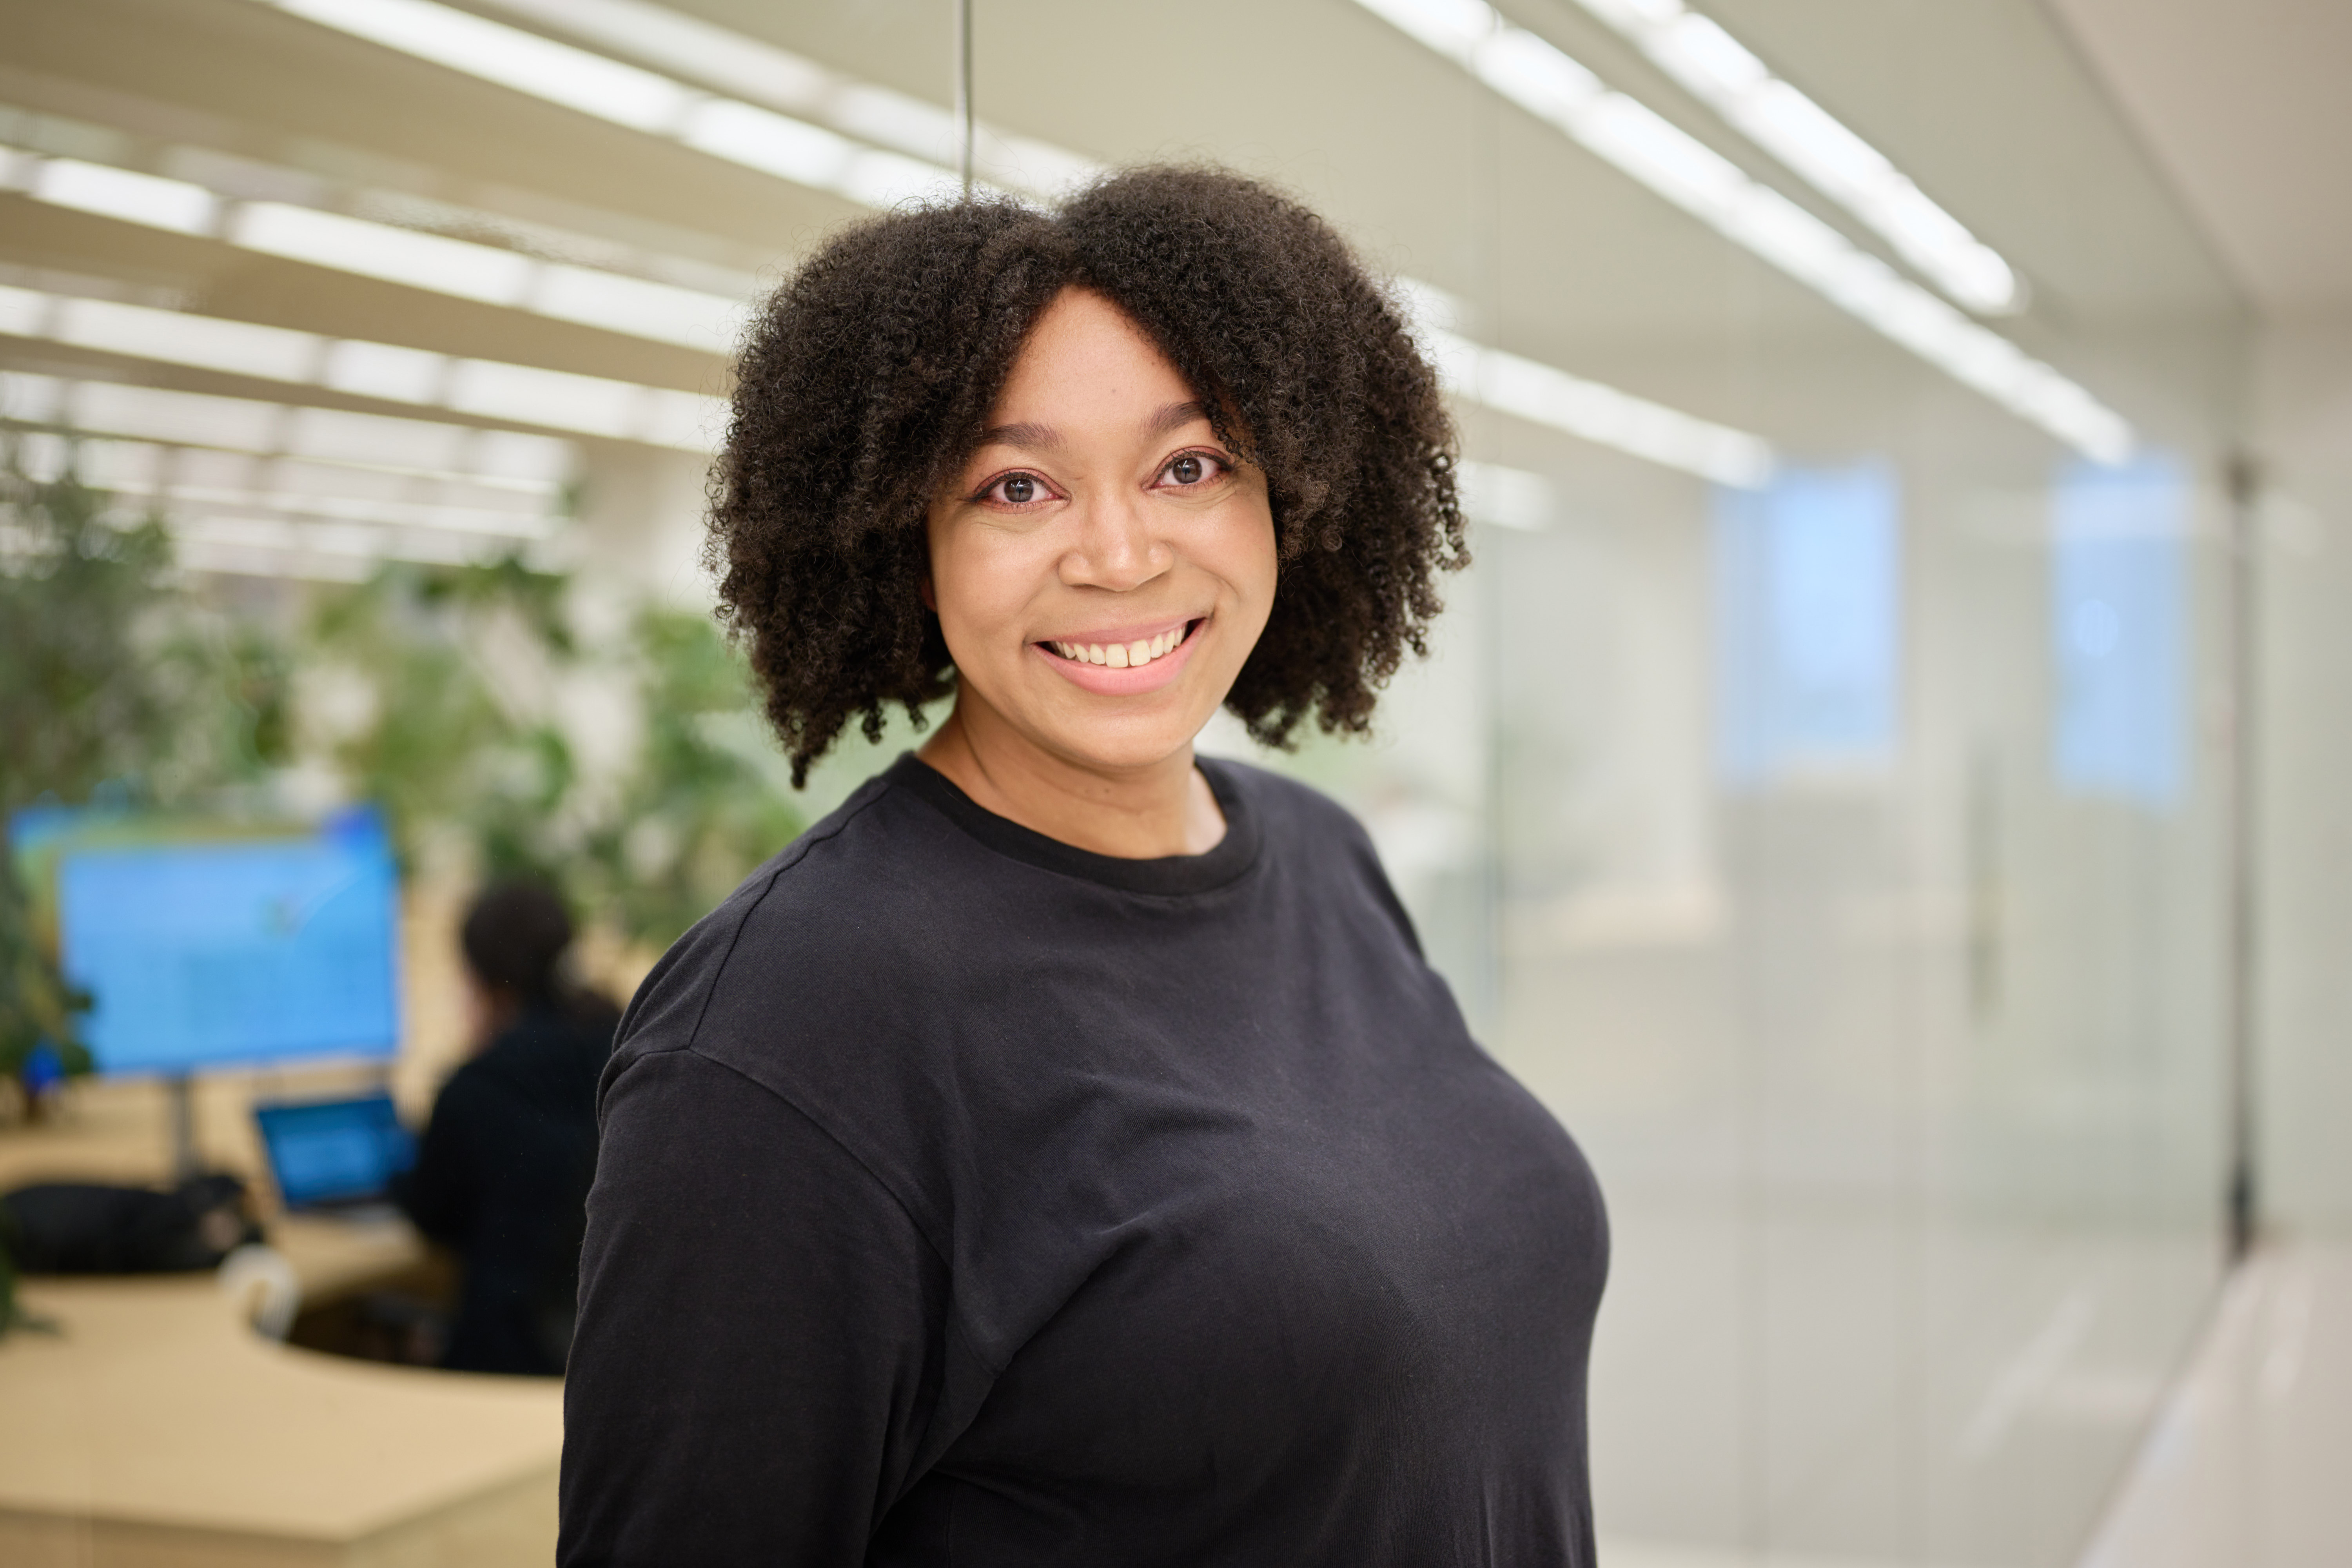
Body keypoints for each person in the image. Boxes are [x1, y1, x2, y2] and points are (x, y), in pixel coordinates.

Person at [560, 167, 1609, 1565]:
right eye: (1016, 484)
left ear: (1289, 490)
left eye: (1189, 465)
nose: (1117, 552)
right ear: (902, 535)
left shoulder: (1316, 855)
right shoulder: (788, 1028)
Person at [394, 878, 615, 1376]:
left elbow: (430, 1214)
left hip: (502, 1365)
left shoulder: (477, 1087)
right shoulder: (621, 1046)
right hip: (605, 1366)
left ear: (478, 978)